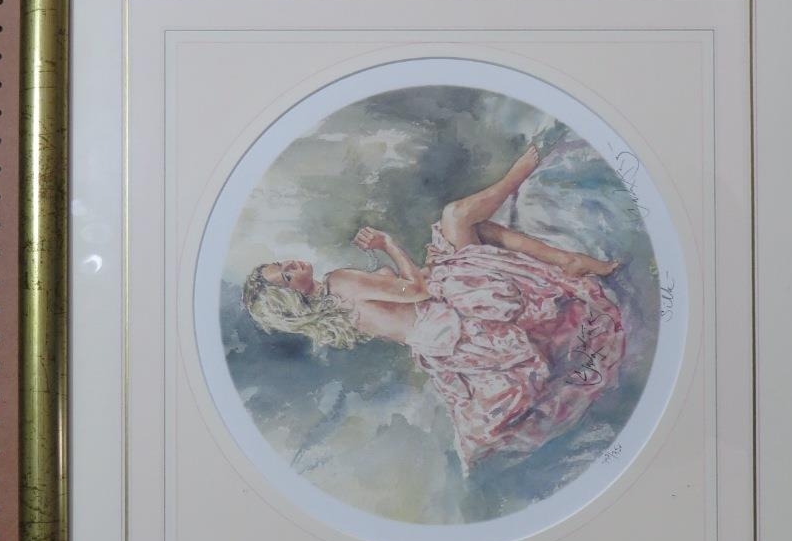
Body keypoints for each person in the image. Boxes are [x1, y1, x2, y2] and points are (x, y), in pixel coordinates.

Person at [241, 142, 626, 471]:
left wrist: (407, 269)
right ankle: (521, 178)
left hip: (442, 339)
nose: (292, 265)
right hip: (454, 314)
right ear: (295, 298)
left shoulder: (333, 304)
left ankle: (568, 259)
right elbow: (417, 290)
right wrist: (388, 244)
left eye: (283, 264)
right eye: (286, 276)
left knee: (472, 231)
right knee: (456, 217)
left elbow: (398, 303)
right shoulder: (340, 281)